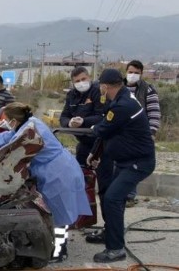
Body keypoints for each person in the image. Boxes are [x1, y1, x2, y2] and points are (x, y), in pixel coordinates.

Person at [0, 102, 91, 263]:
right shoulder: (29, 123)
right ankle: (56, 244)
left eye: (7, 120)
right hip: (56, 168)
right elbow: (7, 137)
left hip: (59, 173)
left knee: (61, 214)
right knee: (56, 211)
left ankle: (60, 251)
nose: (5, 123)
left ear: (14, 120)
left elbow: (8, 154)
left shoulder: (29, 132)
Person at [85, 69, 155, 263]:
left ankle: (115, 248)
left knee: (113, 199)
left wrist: (92, 127)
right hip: (126, 160)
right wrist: (94, 152)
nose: (100, 89)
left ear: (105, 86)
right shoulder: (119, 100)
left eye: (100, 86)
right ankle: (110, 233)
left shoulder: (123, 105)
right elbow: (106, 131)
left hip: (139, 162)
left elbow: (102, 129)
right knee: (110, 196)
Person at [124, 60, 161, 207]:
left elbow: (154, 113)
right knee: (119, 165)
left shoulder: (147, 90)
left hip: (138, 135)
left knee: (133, 166)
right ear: (126, 72)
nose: (132, 75)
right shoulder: (119, 88)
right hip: (119, 135)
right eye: (130, 72)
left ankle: (130, 196)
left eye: (136, 73)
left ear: (141, 74)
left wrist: (151, 133)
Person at [60, 66, 105, 166]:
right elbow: (63, 117)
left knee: (104, 178)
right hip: (83, 142)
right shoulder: (71, 95)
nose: (81, 83)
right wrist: (70, 123)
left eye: (83, 79)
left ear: (89, 77)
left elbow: (102, 117)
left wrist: (83, 121)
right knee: (81, 173)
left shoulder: (98, 91)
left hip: (101, 143)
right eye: (77, 81)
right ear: (73, 83)